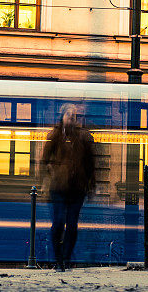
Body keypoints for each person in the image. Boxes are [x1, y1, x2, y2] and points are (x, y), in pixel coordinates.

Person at [40, 103, 96, 272]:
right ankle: (58, 259)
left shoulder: (84, 138)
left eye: (74, 116)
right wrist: (45, 181)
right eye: (68, 115)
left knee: (72, 225)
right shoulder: (54, 136)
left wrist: (91, 185)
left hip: (77, 189)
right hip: (58, 187)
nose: (71, 118)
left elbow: (91, 164)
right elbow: (44, 161)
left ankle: (65, 259)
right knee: (58, 223)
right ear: (62, 117)